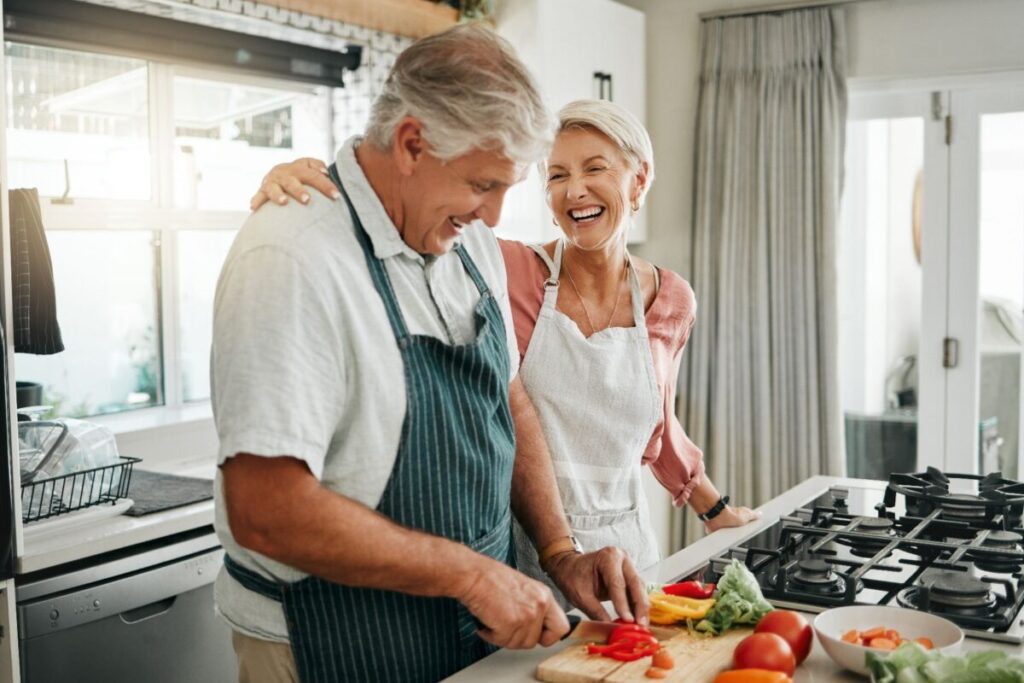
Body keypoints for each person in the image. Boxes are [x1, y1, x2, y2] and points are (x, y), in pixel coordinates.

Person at [213, 25, 649, 683]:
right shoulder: (292, 256)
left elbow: (507, 396)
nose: (497, 216)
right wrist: (471, 575)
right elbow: (266, 509)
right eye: (483, 183)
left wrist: (560, 553)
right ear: (413, 142)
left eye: (508, 186)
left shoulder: (465, 239)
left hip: (466, 625)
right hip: (330, 638)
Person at [251, 98, 761, 612]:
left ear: (639, 178)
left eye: (594, 168)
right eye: (556, 174)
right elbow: (401, 214)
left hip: (628, 557)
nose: (574, 189)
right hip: (520, 559)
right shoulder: (507, 267)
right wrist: (314, 183)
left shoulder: (670, 298)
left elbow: (657, 421)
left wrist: (713, 508)